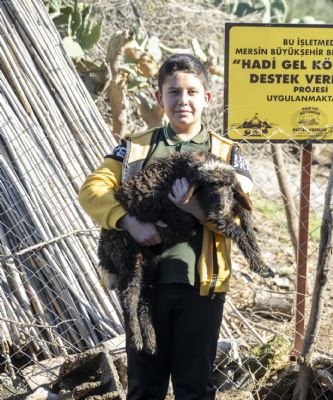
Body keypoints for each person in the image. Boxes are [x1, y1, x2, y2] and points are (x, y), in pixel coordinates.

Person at [78, 54, 253, 400]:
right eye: (174, 92)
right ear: (160, 98)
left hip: (201, 288)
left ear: (207, 97)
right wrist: (129, 221)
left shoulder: (227, 153)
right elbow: (91, 191)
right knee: (144, 388)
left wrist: (195, 210)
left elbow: (239, 212)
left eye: (192, 92)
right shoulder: (134, 148)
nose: (182, 100)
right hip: (144, 286)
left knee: (195, 389)